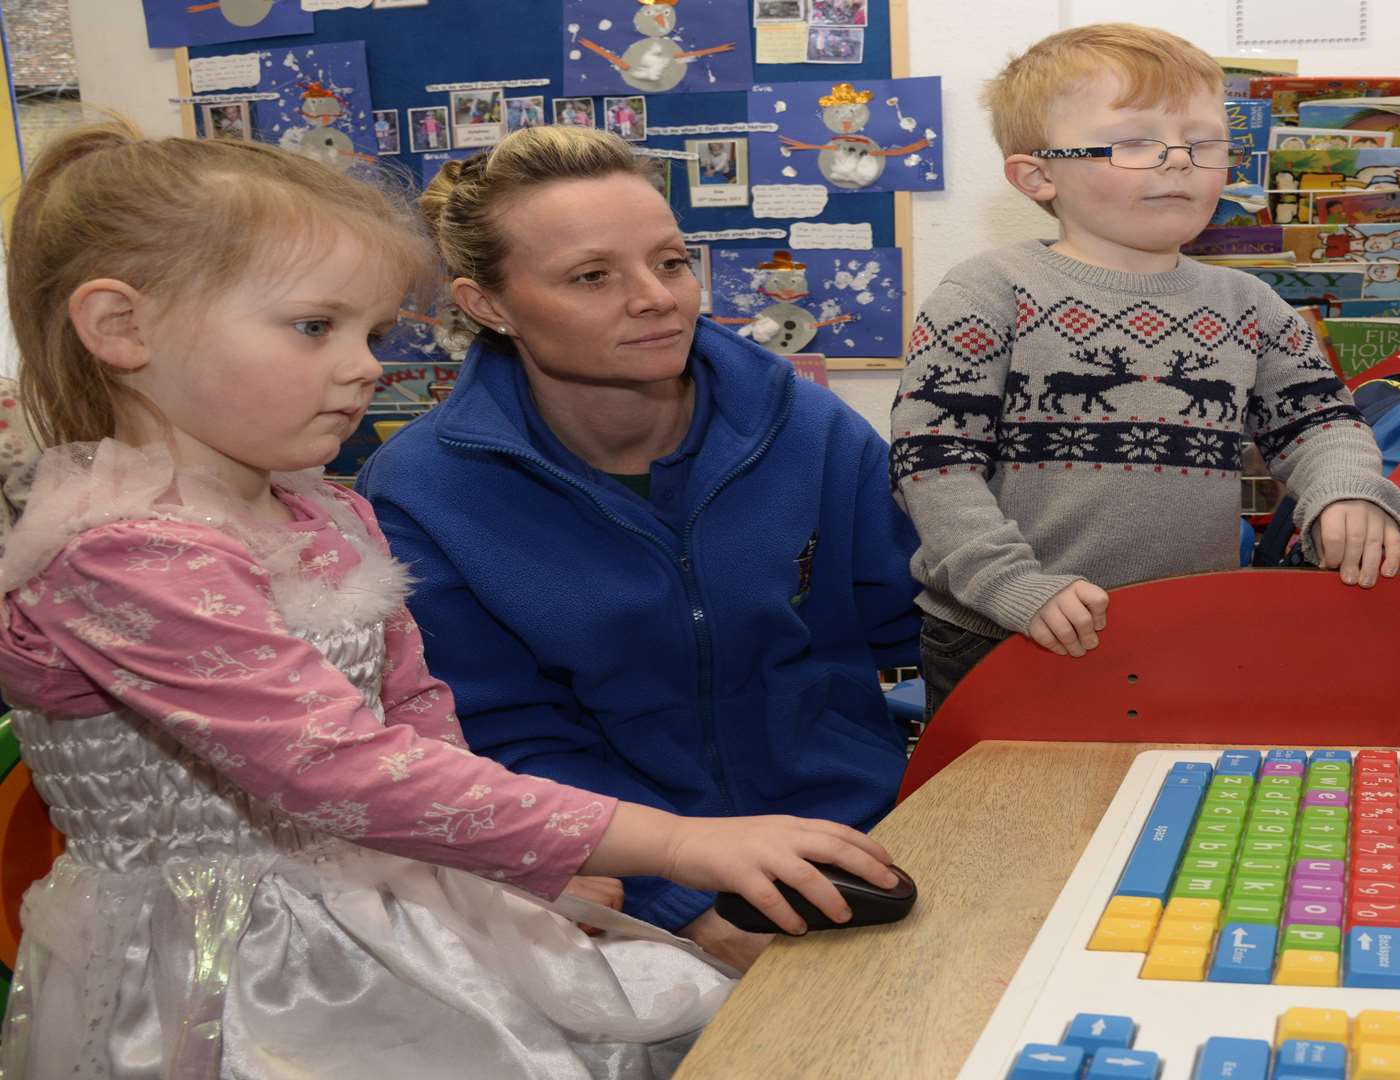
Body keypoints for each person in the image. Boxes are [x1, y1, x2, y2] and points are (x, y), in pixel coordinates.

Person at [0, 121, 899, 1079]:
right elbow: (336, 768)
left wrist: (523, 866)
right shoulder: (119, 551)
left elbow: (419, 714)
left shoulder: (327, 508)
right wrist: (674, 847)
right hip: (233, 969)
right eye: (316, 326)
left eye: (371, 331)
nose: (366, 366)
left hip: (386, 899)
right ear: (122, 329)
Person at [357, 125, 921, 972]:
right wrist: (684, 908)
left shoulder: (807, 427)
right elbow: (499, 738)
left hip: (861, 845)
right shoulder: (420, 489)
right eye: (592, 276)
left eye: (670, 261)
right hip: (622, 898)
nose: (658, 297)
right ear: (489, 306)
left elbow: (917, 626)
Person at [890, 24, 1400, 720]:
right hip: (1003, 631)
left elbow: (1320, 423)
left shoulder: (1249, 303)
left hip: (1191, 631)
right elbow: (933, 462)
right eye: (1134, 142)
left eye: (1202, 143)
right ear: (1037, 174)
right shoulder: (988, 290)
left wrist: (1346, 490)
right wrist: (1010, 584)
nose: (1179, 163)